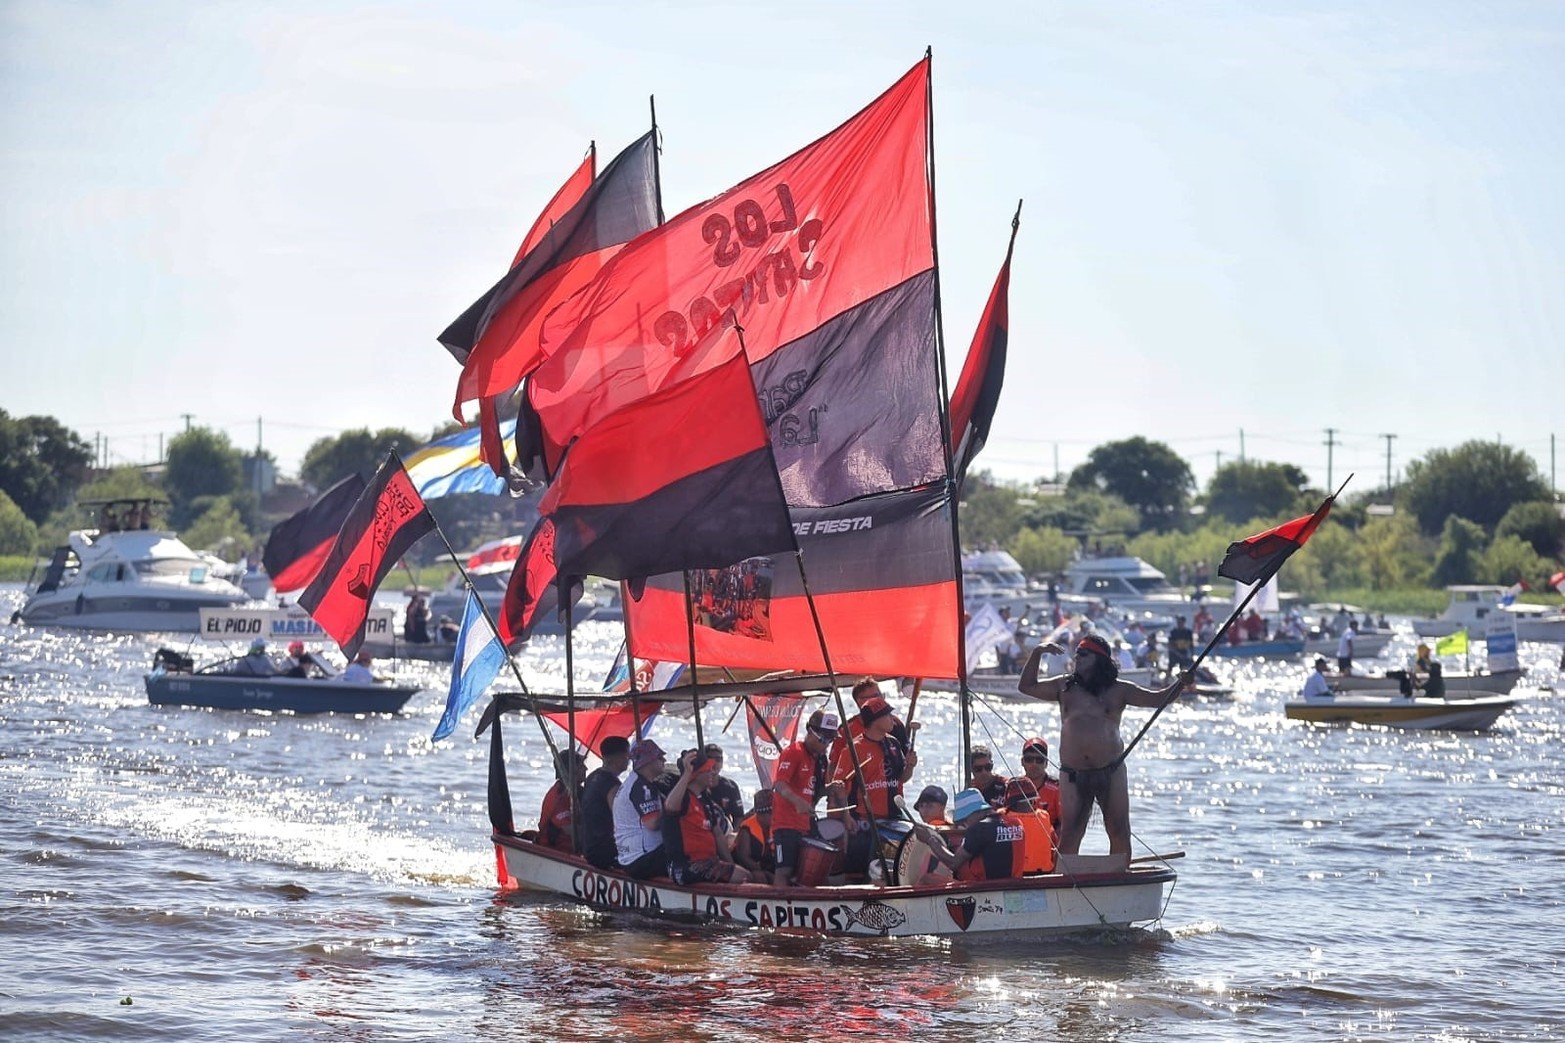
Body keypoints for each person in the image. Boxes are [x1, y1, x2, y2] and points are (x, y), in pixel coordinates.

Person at [1018, 632, 1189, 858]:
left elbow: (1158, 699)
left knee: (1119, 831)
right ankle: (1065, 882)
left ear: (1099, 659)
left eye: (1084, 654)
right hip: (1072, 774)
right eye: (1077, 653)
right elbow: (1026, 686)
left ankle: (1119, 878)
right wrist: (1038, 652)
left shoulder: (1120, 690)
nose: (1077, 658)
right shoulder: (1064, 687)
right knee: (1070, 833)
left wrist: (1181, 684)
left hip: (1111, 771)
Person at [662, 749, 750, 885]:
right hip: (685, 867)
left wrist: (731, 865)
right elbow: (669, 807)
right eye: (709, 769)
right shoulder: (682, 798)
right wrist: (687, 774)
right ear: (697, 774)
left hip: (709, 862)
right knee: (745, 877)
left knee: (747, 875)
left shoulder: (705, 799)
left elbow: (719, 836)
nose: (713, 772)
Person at [771, 709, 837, 887]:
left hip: (808, 824)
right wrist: (797, 801)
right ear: (810, 732)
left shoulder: (822, 760)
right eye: (823, 739)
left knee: (815, 869)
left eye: (830, 740)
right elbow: (779, 784)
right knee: (784, 871)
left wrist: (831, 789)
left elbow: (816, 791)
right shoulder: (794, 752)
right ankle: (780, 907)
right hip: (786, 825)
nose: (826, 745)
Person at [833, 695, 917, 822]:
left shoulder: (893, 743)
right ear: (875, 720)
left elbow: (902, 778)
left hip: (894, 816)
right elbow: (838, 788)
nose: (892, 719)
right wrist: (846, 817)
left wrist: (910, 766)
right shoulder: (853, 749)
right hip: (864, 820)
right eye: (888, 715)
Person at [927, 787, 1026, 882]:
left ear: (976, 812)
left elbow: (953, 863)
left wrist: (930, 840)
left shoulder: (979, 829)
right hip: (1015, 886)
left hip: (985, 890)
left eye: (964, 820)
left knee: (927, 879)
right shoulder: (1016, 823)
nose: (965, 825)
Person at [612, 739, 670, 879]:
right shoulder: (641, 787)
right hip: (641, 858)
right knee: (689, 851)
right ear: (647, 761)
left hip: (631, 855)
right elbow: (653, 823)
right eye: (659, 757)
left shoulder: (636, 782)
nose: (664, 760)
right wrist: (672, 807)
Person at [581, 736, 630, 870]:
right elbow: (620, 819)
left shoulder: (592, 777)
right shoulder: (612, 785)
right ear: (617, 758)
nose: (629, 760)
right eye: (627, 756)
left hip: (590, 845)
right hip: (604, 851)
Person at [1002, 777, 1056, 874]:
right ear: (1033, 800)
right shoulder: (1044, 816)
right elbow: (1054, 843)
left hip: (1014, 876)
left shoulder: (1003, 817)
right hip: (1044, 873)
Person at [538, 749, 583, 853]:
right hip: (555, 850)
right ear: (571, 770)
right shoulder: (559, 796)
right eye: (581, 765)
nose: (586, 768)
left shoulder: (579, 791)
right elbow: (571, 831)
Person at [1019, 736, 1062, 830]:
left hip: (1049, 839)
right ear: (1022, 762)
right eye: (1029, 759)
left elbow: (1064, 824)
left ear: (1046, 763)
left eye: (1039, 760)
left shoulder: (1057, 788)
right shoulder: (1015, 787)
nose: (1034, 764)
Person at [701, 743, 745, 828]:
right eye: (710, 758)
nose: (714, 763)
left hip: (724, 831)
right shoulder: (698, 785)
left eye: (718, 759)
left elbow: (738, 816)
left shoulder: (730, 787)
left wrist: (732, 835)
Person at [734, 790, 775, 876]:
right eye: (771, 813)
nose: (775, 816)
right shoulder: (746, 829)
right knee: (760, 876)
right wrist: (761, 871)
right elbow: (743, 857)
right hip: (745, 870)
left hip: (765, 868)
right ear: (761, 814)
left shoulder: (774, 828)